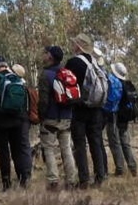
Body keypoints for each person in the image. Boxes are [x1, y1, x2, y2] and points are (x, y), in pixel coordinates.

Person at [65, 34, 108, 189]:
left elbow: (66, 84)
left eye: (74, 43)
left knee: (80, 144)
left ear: (78, 46)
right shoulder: (95, 62)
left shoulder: (73, 62)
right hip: (96, 108)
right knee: (96, 142)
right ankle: (100, 177)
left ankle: (84, 180)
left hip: (79, 108)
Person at [0, 57, 32, 190]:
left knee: (4, 154)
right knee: (17, 151)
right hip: (17, 121)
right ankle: (23, 179)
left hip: (0, 123)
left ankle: (6, 183)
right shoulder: (17, 79)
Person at [38, 46, 76, 192]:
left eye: (46, 53)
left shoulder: (45, 75)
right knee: (66, 149)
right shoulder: (67, 72)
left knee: (48, 149)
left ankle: (53, 181)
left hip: (50, 118)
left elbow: (43, 101)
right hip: (67, 117)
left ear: (50, 57)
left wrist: (42, 116)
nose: (44, 55)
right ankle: (71, 181)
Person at [106, 62, 138, 177]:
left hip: (114, 116)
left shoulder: (113, 82)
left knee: (115, 143)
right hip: (125, 117)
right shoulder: (127, 84)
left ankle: (120, 169)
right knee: (125, 142)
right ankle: (133, 167)